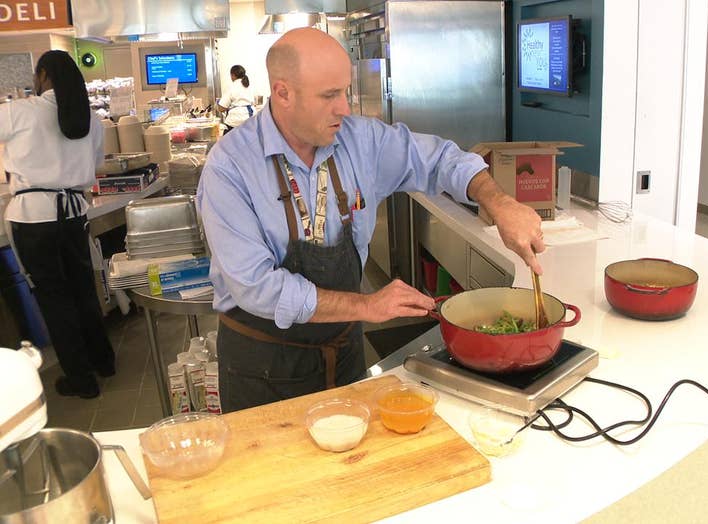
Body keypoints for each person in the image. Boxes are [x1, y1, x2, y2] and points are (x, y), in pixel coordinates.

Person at [197, 28, 544, 412]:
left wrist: (499, 202)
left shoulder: (361, 141)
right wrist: (367, 306)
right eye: (329, 95)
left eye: (345, 91)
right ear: (282, 94)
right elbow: (256, 286)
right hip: (262, 367)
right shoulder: (229, 168)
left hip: (343, 352)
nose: (344, 108)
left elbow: (442, 159)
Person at [1, 50, 115, 399]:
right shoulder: (90, 119)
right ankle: (104, 361)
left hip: (34, 217)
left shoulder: (19, 111)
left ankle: (81, 380)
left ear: (44, 75)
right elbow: (95, 164)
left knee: (55, 300)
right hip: (74, 213)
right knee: (83, 290)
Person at [217, 65, 256, 133]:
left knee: (227, 142)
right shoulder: (249, 85)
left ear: (232, 75)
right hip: (251, 119)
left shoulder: (232, 86)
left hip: (235, 121)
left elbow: (221, 108)